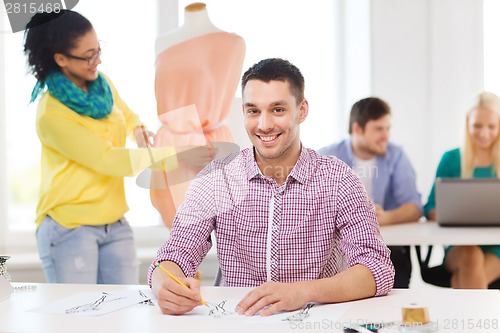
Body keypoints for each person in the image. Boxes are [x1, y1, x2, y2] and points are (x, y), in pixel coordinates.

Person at [149, 58, 394, 316]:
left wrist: (303, 292)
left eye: (277, 110)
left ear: (302, 110)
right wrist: (168, 286)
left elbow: (377, 267)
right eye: (253, 111)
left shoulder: (338, 179)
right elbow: (173, 255)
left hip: (314, 322)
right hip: (237, 324)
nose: (264, 125)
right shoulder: (217, 178)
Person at [23, 10, 178, 284]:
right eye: (88, 55)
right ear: (61, 59)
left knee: (122, 315)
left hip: (115, 222)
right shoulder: (51, 114)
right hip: (68, 226)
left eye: (98, 50)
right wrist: (176, 156)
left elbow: (127, 115)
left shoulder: (101, 83)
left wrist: (138, 131)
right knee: (76, 321)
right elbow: (106, 159)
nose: (98, 60)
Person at [151, 2, 245, 228]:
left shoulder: (233, 43)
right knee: (180, 234)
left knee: (227, 228)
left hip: (214, 141)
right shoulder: (162, 42)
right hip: (172, 144)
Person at [318, 97, 422, 288]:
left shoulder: (396, 155)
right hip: (340, 250)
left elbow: (414, 207)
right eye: (378, 129)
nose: (386, 136)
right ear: (357, 129)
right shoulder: (327, 157)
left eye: (388, 128)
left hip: (389, 248)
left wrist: (385, 217)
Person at [424, 91, 500, 289]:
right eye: (477, 125)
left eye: (491, 126)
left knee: (463, 281)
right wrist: (443, 214)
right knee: (471, 256)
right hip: (459, 246)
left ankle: (463, 320)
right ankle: (481, 322)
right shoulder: (451, 159)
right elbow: (430, 206)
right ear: (468, 123)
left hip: (497, 247)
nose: (484, 133)